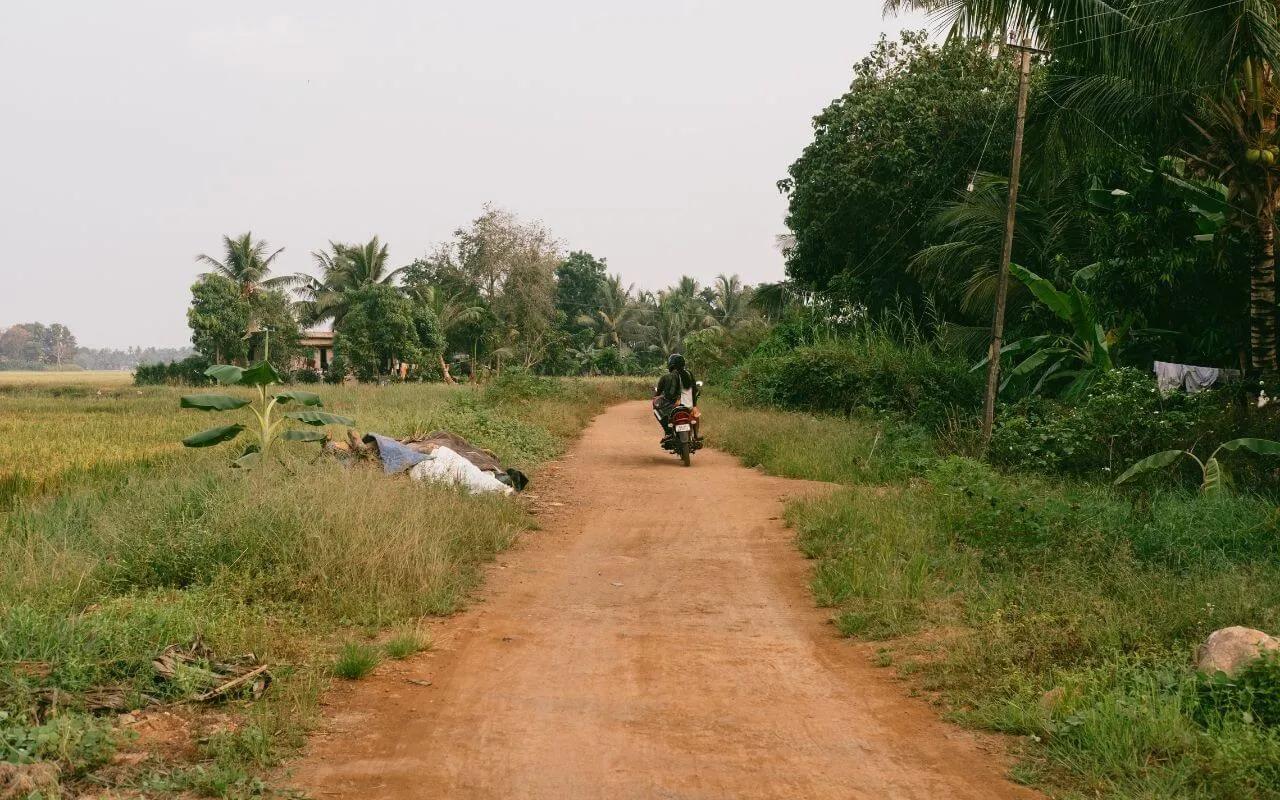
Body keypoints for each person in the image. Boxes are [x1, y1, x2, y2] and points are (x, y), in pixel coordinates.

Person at [654, 353, 698, 439]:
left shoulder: (666, 377)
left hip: (673, 407)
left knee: (656, 409)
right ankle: (696, 434)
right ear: (683, 363)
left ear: (670, 364)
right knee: (696, 414)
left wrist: (657, 397)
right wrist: (694, 405)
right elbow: (694, 390)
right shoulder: (689, 374)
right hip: (689, 406)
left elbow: (660, 394)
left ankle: (668, 431)